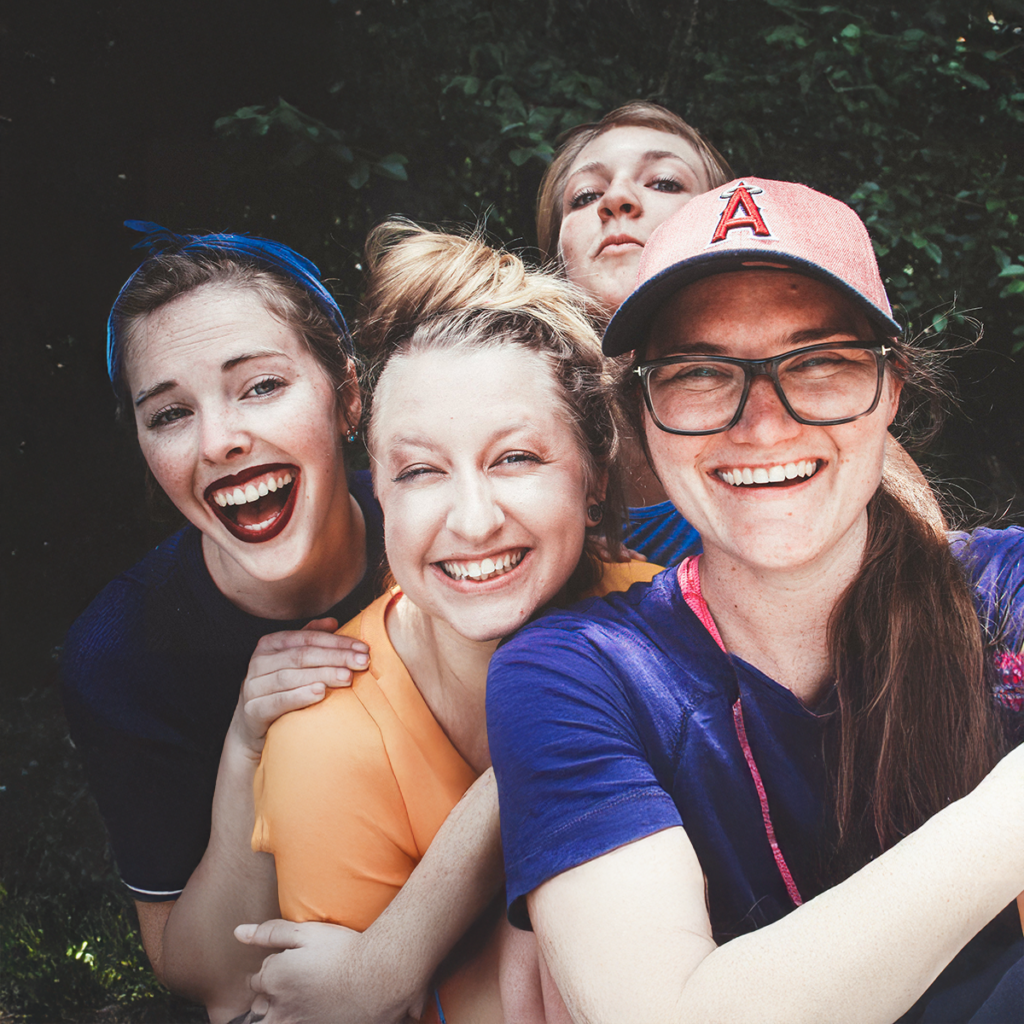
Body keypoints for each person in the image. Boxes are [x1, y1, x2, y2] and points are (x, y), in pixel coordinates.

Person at [487, 179, 1024, 1023]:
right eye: (702, 372)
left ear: (890, 389)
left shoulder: (1006, 595)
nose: (764, 426)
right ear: (641, 415)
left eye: (818, 362)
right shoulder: (577, 676)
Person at [243, 222, 660, 1023]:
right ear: (382, 498)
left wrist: (385, 965)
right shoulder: (328, 736)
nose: (473, 521)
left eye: (516, 459)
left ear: (594, 479)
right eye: (421, 470)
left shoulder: (670, 619)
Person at [59, 224, 388, 1017]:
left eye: (261, 386)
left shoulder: (447, 528)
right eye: (170, 414)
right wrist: (247, 750)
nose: (220, 441)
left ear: (346, 393)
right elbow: (210, 978)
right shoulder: (121, 653)